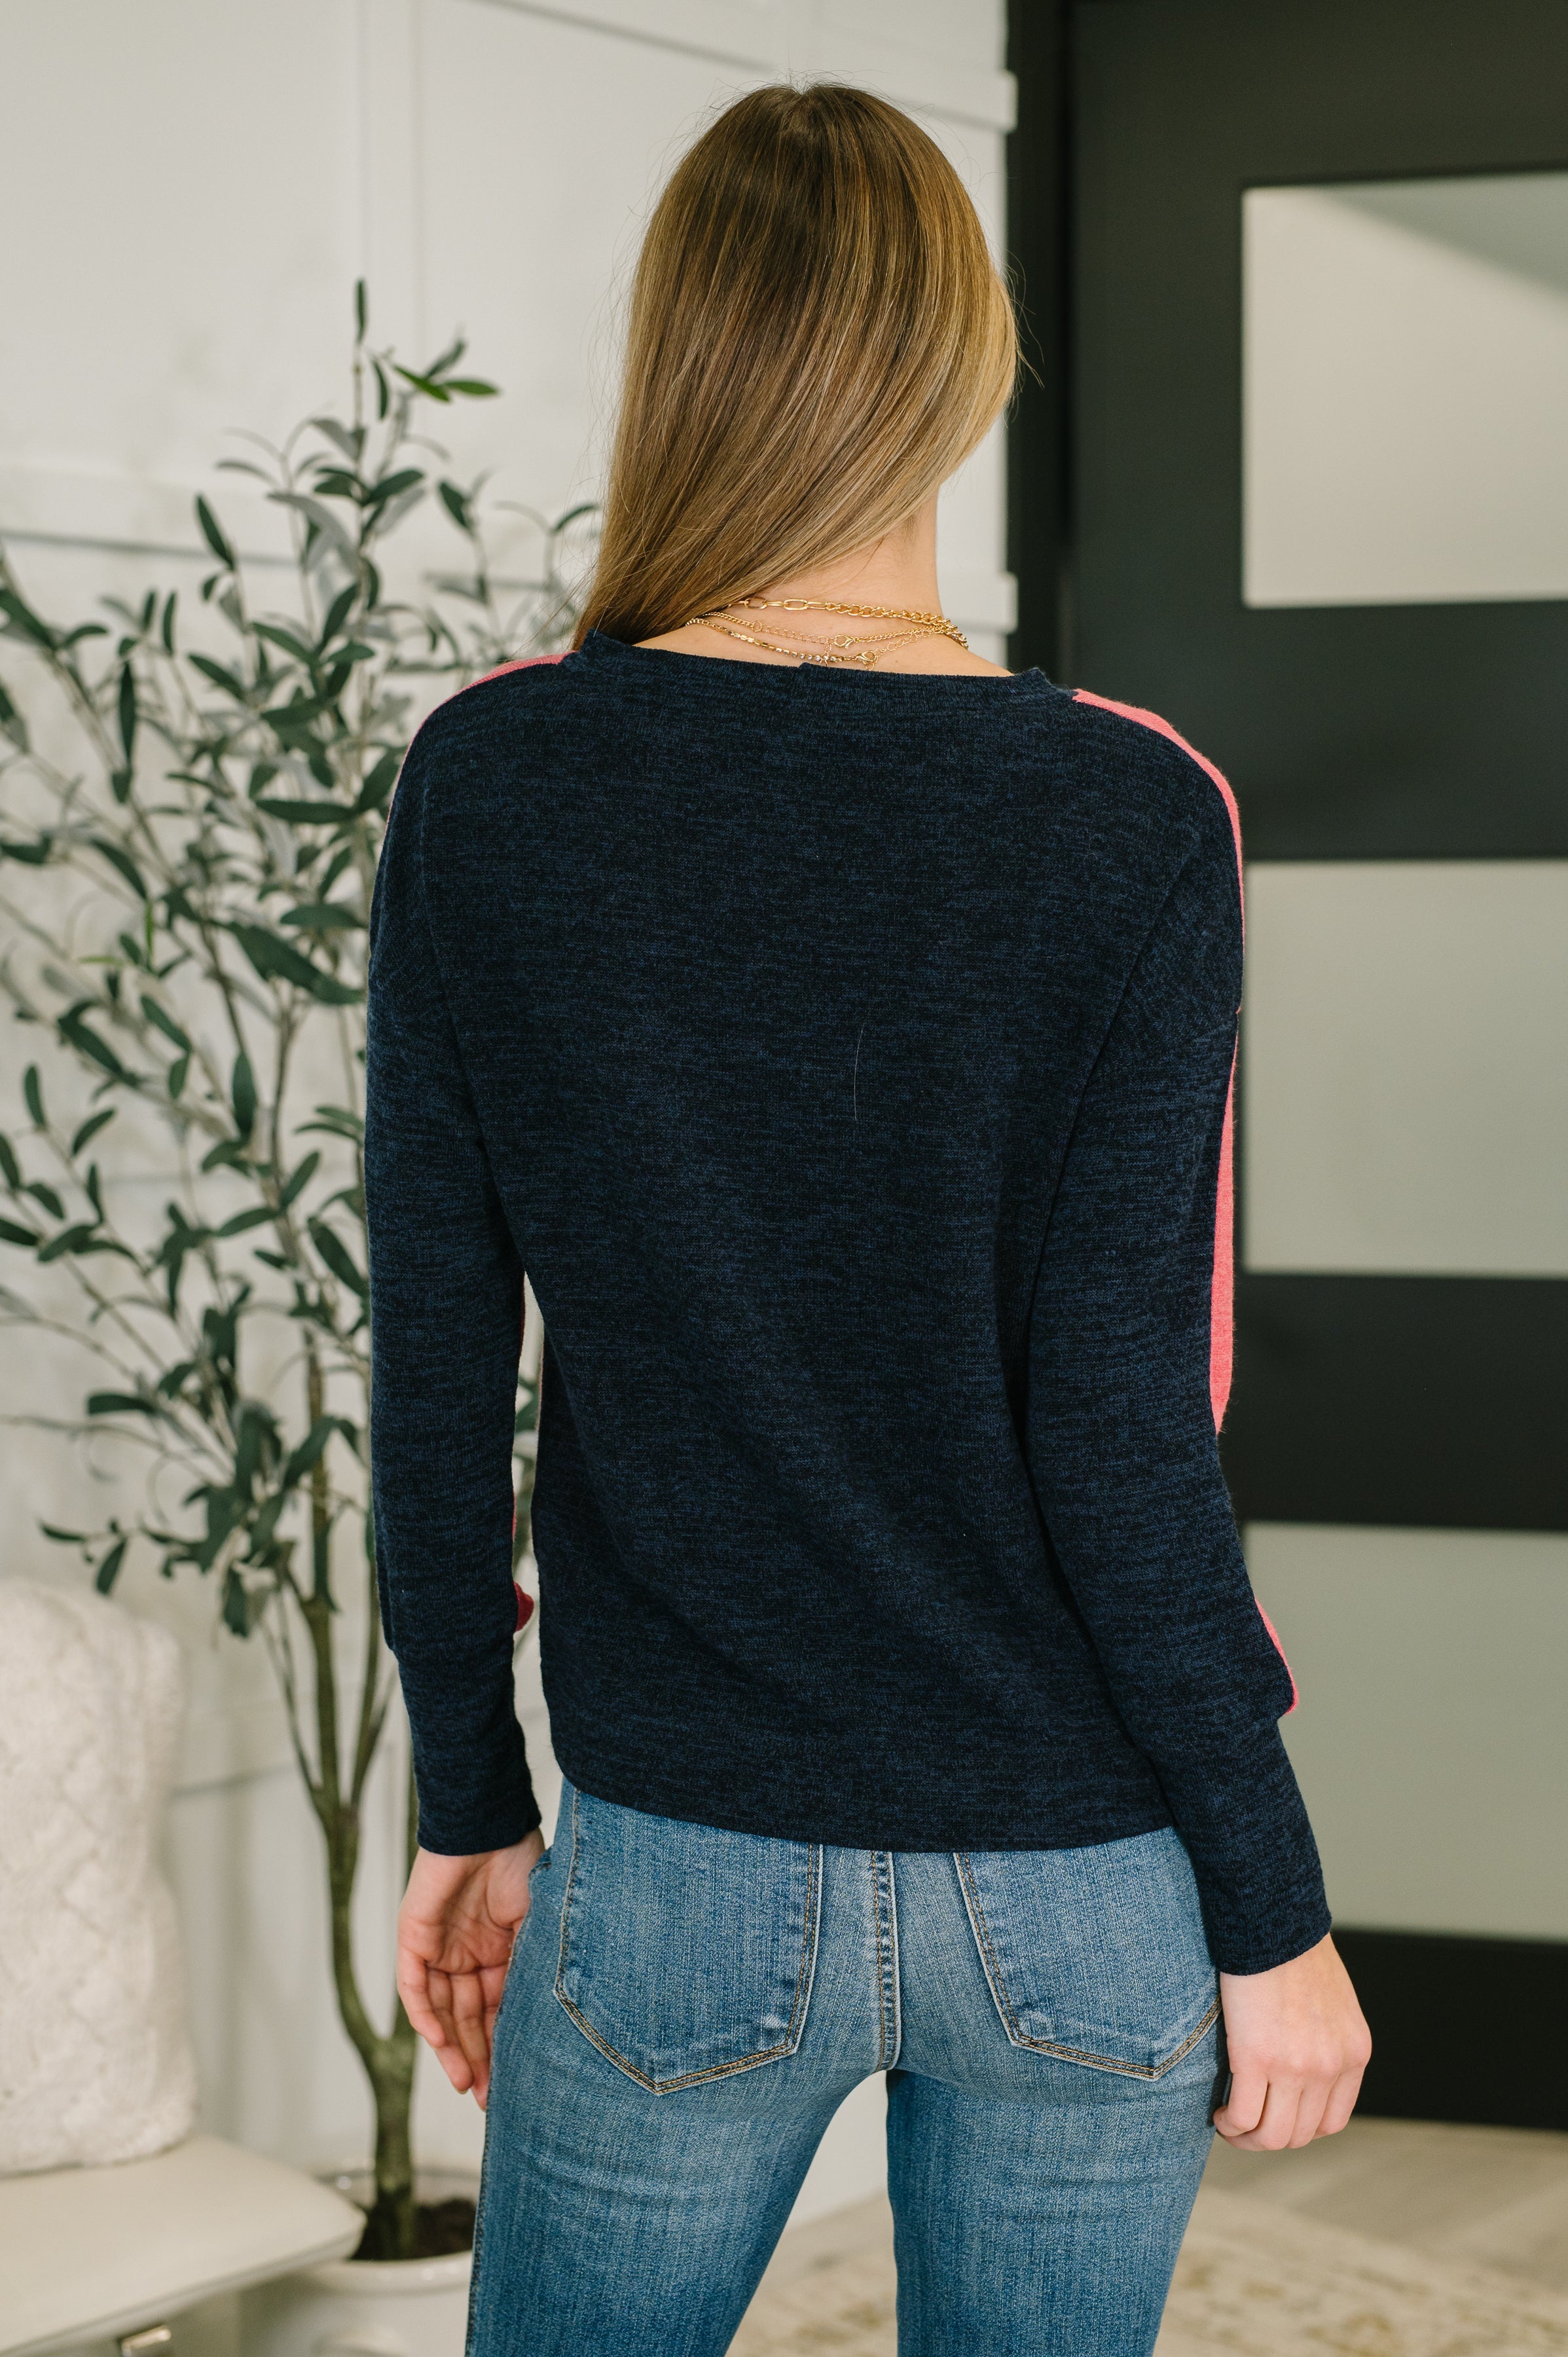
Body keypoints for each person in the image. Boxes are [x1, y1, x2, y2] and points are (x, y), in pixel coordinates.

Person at [364, 80, 1370, 2357]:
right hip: (1083, 1888)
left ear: (679, 363)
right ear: (962, 369)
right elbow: (1125, 1429)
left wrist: (467, 1801)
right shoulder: (1132, 812)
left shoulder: (493, 780)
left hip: (681, 1880)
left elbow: (432, 1372)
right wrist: (1268, 1902)